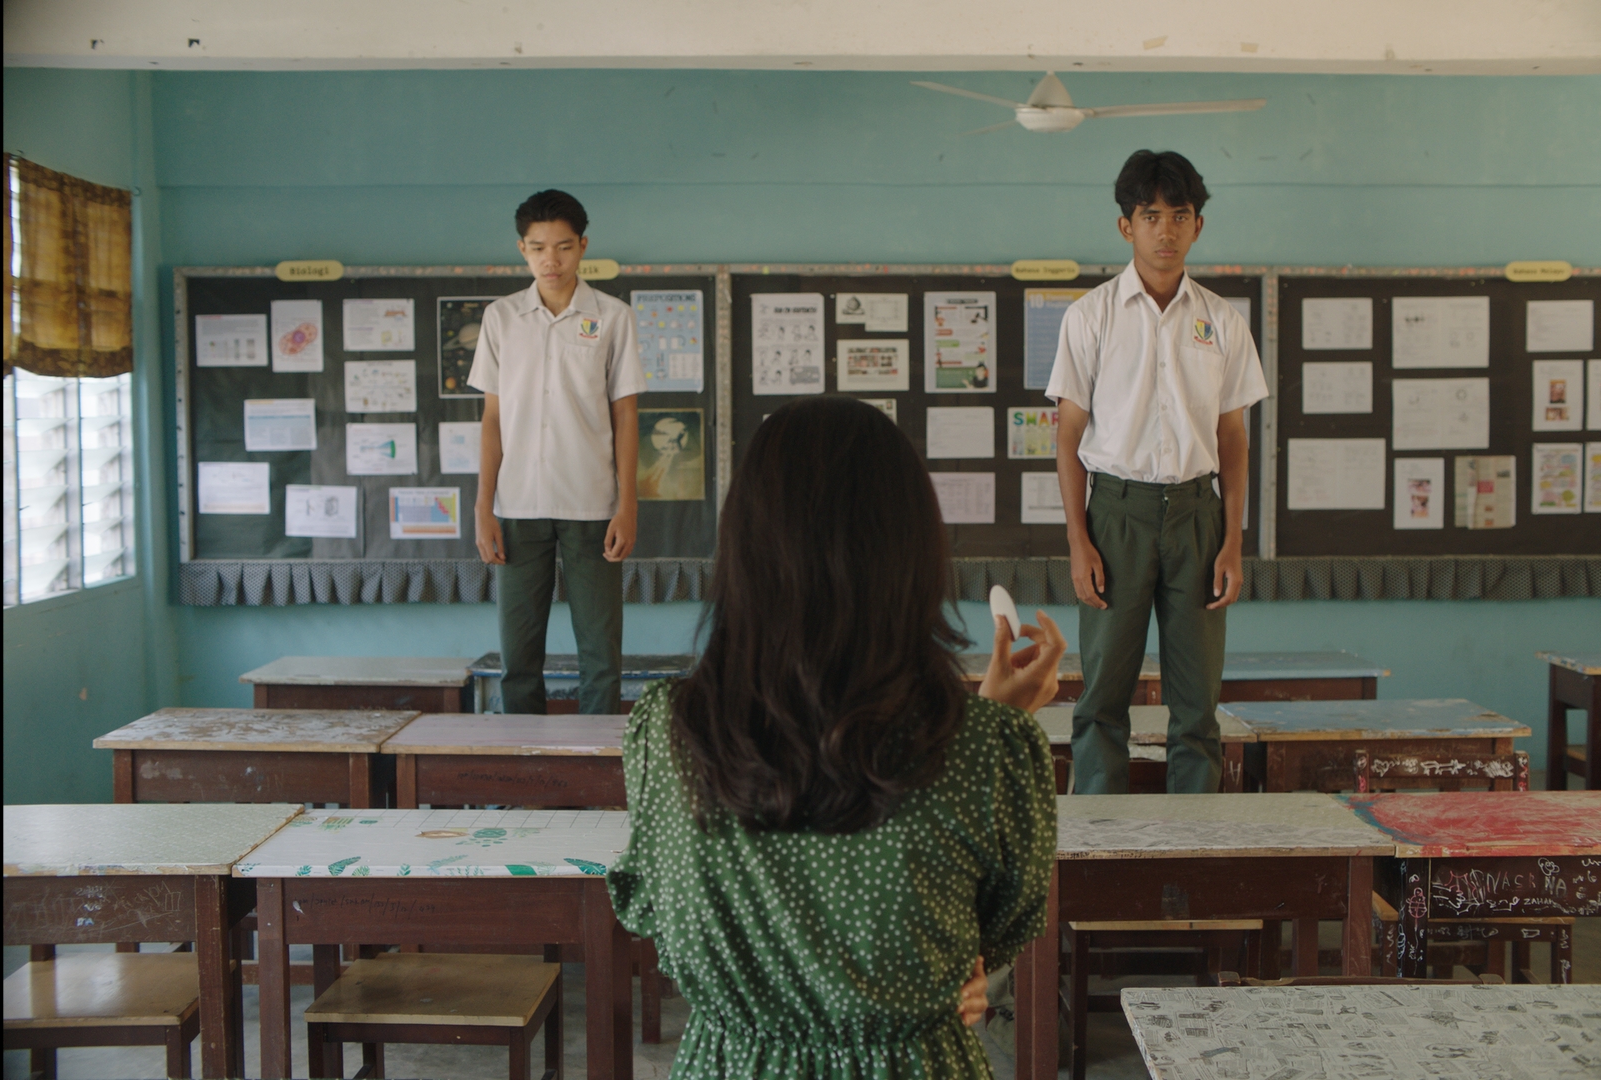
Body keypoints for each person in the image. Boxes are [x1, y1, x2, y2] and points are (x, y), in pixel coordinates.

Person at [607, 395, 1065, 1078]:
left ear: (743, 550)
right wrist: (992, 724)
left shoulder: (671, 734)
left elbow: (652, 909)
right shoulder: (987, 750)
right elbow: (994, 928)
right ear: (913, 553)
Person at [1045, 150, 1268, 795]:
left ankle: (1193, 841)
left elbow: (1233, 438)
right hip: (1115, 515)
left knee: (1197, 706)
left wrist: (1233, 541)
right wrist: (1078, 540)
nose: (1165, 230)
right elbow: (1068, 436)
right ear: (1126, 227)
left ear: (1198, 225)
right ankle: (1101, 838)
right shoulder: (1090, 316)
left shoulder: (1222, 321)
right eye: (1150, 216)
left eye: (1179, 215)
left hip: (1199, 515)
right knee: (1102, 698)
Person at [469, 189, 644, 715]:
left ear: (583, 246)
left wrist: (628, 505)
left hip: (593, 504)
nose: (552, 260)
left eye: (564, 247)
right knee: (518, 656)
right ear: (522, 249)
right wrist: (482, 506)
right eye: (539, 248)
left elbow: (626, 416)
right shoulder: (501, 318)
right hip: (518, 504)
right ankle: (525, 762)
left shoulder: (613, 317)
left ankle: (598, 762)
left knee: (601, 655)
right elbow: (493, 419)